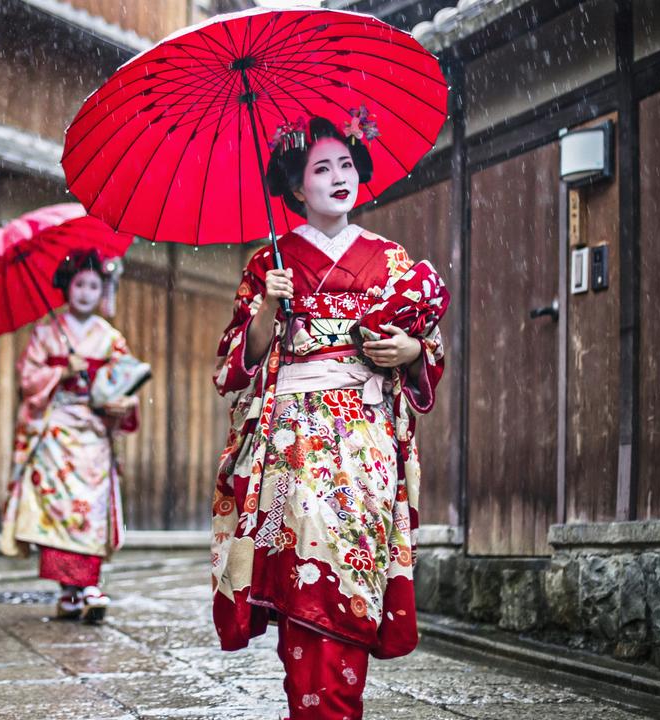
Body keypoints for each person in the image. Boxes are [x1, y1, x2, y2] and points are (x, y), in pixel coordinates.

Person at [209, 115, 446, 719]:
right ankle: (314, 707)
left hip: (363, 437)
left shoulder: (389, 259)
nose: (338, 177)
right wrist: (267, 309)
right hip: (286, 443)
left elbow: (427, 346)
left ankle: (334, 705)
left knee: (353, 563)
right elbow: (235, 367)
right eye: (320, 168)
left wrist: (412, 352)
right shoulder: (270, 261)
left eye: (346, 164)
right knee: (288, 557)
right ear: (295, 188)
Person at [0, 249, 140, 623]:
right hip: (56, 430)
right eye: (79, 283)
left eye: (93, 285)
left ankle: (89, 584)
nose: (85, 292)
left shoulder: (110, 337)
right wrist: (60, 373)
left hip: (92, 430)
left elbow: (126, 382)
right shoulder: (46, 333)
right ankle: (68, 592)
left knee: (89, 509)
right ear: (67, 286)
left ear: (102, 290)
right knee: (59, 509)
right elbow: (28, 379)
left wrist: (111, 393)